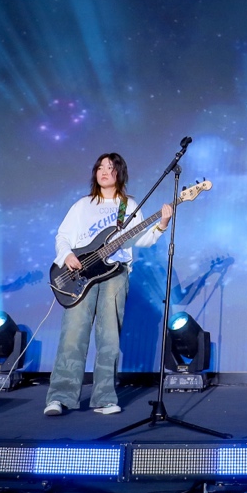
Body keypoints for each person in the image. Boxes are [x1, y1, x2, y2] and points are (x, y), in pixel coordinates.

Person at [44, 153, 172, 416]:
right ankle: (60, 397)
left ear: (119, 173)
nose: (104, 171)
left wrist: (162, 223)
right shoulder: (83, 205)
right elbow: (63, 236)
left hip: (115, 273)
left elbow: (141, 239)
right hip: (79, 275)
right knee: (73, 335)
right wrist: (67, 256)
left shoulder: (128, 205)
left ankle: (104, 398)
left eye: (110, 167)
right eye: (100, 167)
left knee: (109, 338)